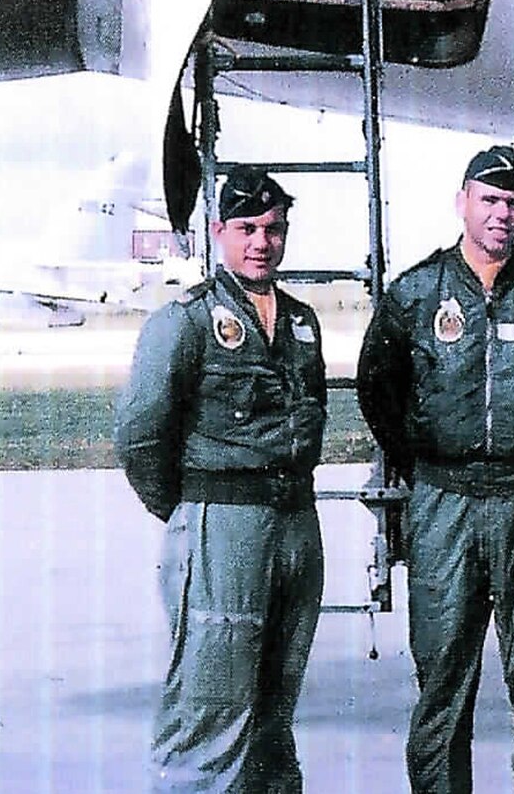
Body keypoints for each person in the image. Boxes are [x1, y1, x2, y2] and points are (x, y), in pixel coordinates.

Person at [357, 144, 514, 794]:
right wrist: (429, 457)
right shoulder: (416, 293)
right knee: (443, 679)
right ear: (463, 201)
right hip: (446, 505)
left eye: (513, 202)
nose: (502, 214)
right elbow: (378, 387)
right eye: (490, 200)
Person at [115, 166, 328, 794]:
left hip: (294, 524)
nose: (261, 242)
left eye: (273, 229)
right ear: (219, 232)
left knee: (272, 712)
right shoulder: (184, 323)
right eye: (246, 229)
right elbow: (140, 436)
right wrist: (191, 514)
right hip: (223, 524)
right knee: (211, 711)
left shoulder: (300, 322)